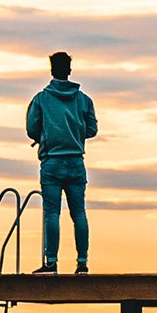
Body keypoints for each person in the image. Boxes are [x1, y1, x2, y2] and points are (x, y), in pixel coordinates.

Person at [25, 51, 96, 274]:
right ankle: (82, 263)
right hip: (76, 162)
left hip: (51, 163)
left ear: (51, 70)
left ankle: (52, 262)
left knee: (52, 213)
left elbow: (31, 129)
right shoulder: (84, 100)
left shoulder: (41, 99)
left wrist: (46, 136)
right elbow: (92, 130)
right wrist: (75, 133)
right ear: (69, 71)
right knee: (79, 214)